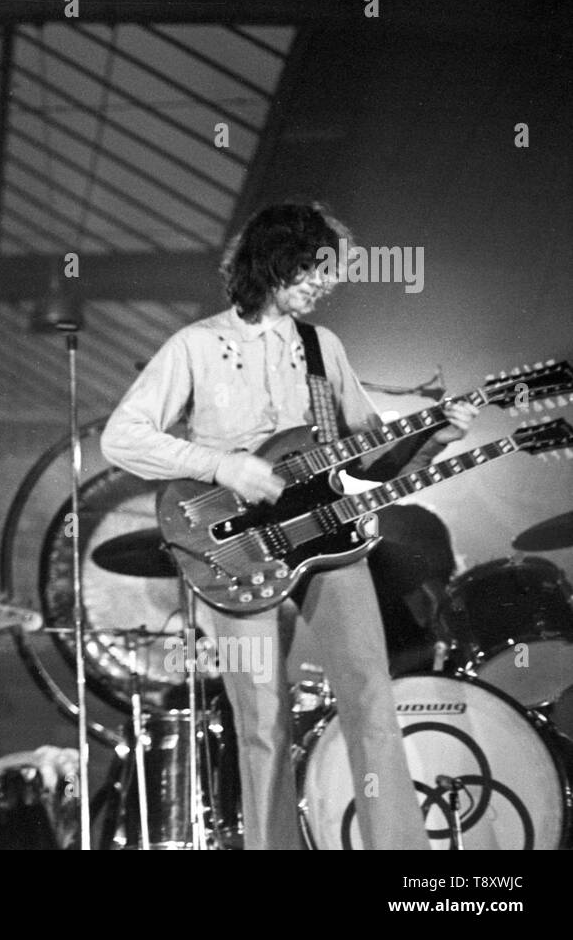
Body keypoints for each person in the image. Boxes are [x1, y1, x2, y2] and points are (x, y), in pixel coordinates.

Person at [100, 203, 478, 850]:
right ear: (275, 258)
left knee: (372, 703)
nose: (325, 283)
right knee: (260, 723)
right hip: (234, 549)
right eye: (316, 267)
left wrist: (437, 432)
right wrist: (223, 466)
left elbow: (368, 454)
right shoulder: (195, 346)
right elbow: (121, 438)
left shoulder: (321, 346)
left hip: (331, 539)